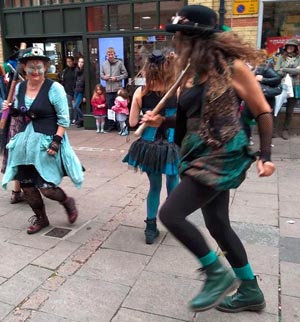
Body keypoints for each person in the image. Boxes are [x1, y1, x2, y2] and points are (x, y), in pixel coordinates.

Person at [141, 5, 275, 313]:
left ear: (201, 38)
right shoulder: (189, 73)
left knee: (170, 214)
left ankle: (216, 273)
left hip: (223, 153)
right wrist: (162, 122)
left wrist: (264, 156)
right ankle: (251, 291)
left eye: (184, 37)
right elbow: (193, 120)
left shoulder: (232, 67)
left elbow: (263, 111)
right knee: (217, 224)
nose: (178, 43)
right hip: (198, 152)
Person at [1, 47, 84, 234]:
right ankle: (41, 218)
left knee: (46, 188)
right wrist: (11, 109)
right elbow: (21, 115)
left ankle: (67, 202)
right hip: (24, 144)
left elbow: (63, 119)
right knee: (27, 185)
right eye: (31, 67)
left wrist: (56, 141)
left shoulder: (55, 88)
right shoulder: (20, 88)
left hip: (47, 143)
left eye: (39, 67)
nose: (36, 71)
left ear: (45, 67)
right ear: (24, 68)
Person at [123, 49, 180, 245]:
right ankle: (175, 222)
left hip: (149, 146)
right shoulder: (177, 89)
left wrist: (143, 116)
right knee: (173, 183)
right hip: (172, 145)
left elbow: (131, 123)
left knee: (154, 186)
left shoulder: (140, 92)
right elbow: (185, 119)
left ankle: (150, 227)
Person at [242, 55, 282, 142]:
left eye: (248, 61)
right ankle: (247, 140)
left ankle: (265, 147)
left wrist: (263, 79)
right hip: (250, 100)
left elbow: (277, 78)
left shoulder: (264, 69)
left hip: (265, 100)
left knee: (264, 123)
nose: (247, 63)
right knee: (245, 120)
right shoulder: (243, 71)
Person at [274, 38, 300, 140]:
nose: (289, 47)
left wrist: (284, 69)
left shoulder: (298, 58)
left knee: (290, 111)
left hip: (294, 86)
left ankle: (286, 130)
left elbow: (298, 72)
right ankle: (273, 129)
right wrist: (292, 70)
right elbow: (276, 71)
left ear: (295, 48)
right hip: (282, 85)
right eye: (288, 46)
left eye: (292, 46)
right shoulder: (281, 57)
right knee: (277, 108)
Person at [100, 47, 128, 131]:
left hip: (118, 90)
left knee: (119, 108)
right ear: (107, 55)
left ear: (114, 54)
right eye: (109, 54)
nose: (110, 56)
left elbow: (125, 74)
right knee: (110, 108)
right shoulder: (104, 64)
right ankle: (111, 125)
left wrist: (117, 78)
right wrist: (104, 77)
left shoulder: (119, 63)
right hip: (108, 89)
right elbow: (101, 74)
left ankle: (119, 126)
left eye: (112, 54)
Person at [61, 56, 76, 122]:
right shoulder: (65, 71)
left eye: (70, 61)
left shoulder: (76, 70)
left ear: (73, 61)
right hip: (67, 90)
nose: (69, 63)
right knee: (69, 106)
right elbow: (63, 81)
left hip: (75, 90)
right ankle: (70, 118)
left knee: (75, 106)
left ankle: (75, 118)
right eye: (67, 62)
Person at [73, 57, 85, 128]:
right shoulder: (76, 71)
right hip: (76, 90)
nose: (80, 63)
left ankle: (82, 118)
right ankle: (79, 121)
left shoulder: (85, 71)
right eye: (79, 62)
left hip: (81, 91)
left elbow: (86, 84)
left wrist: (84, 95)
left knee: (76, 106)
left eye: (82, 62)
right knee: (76, 106)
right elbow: (74, 81)